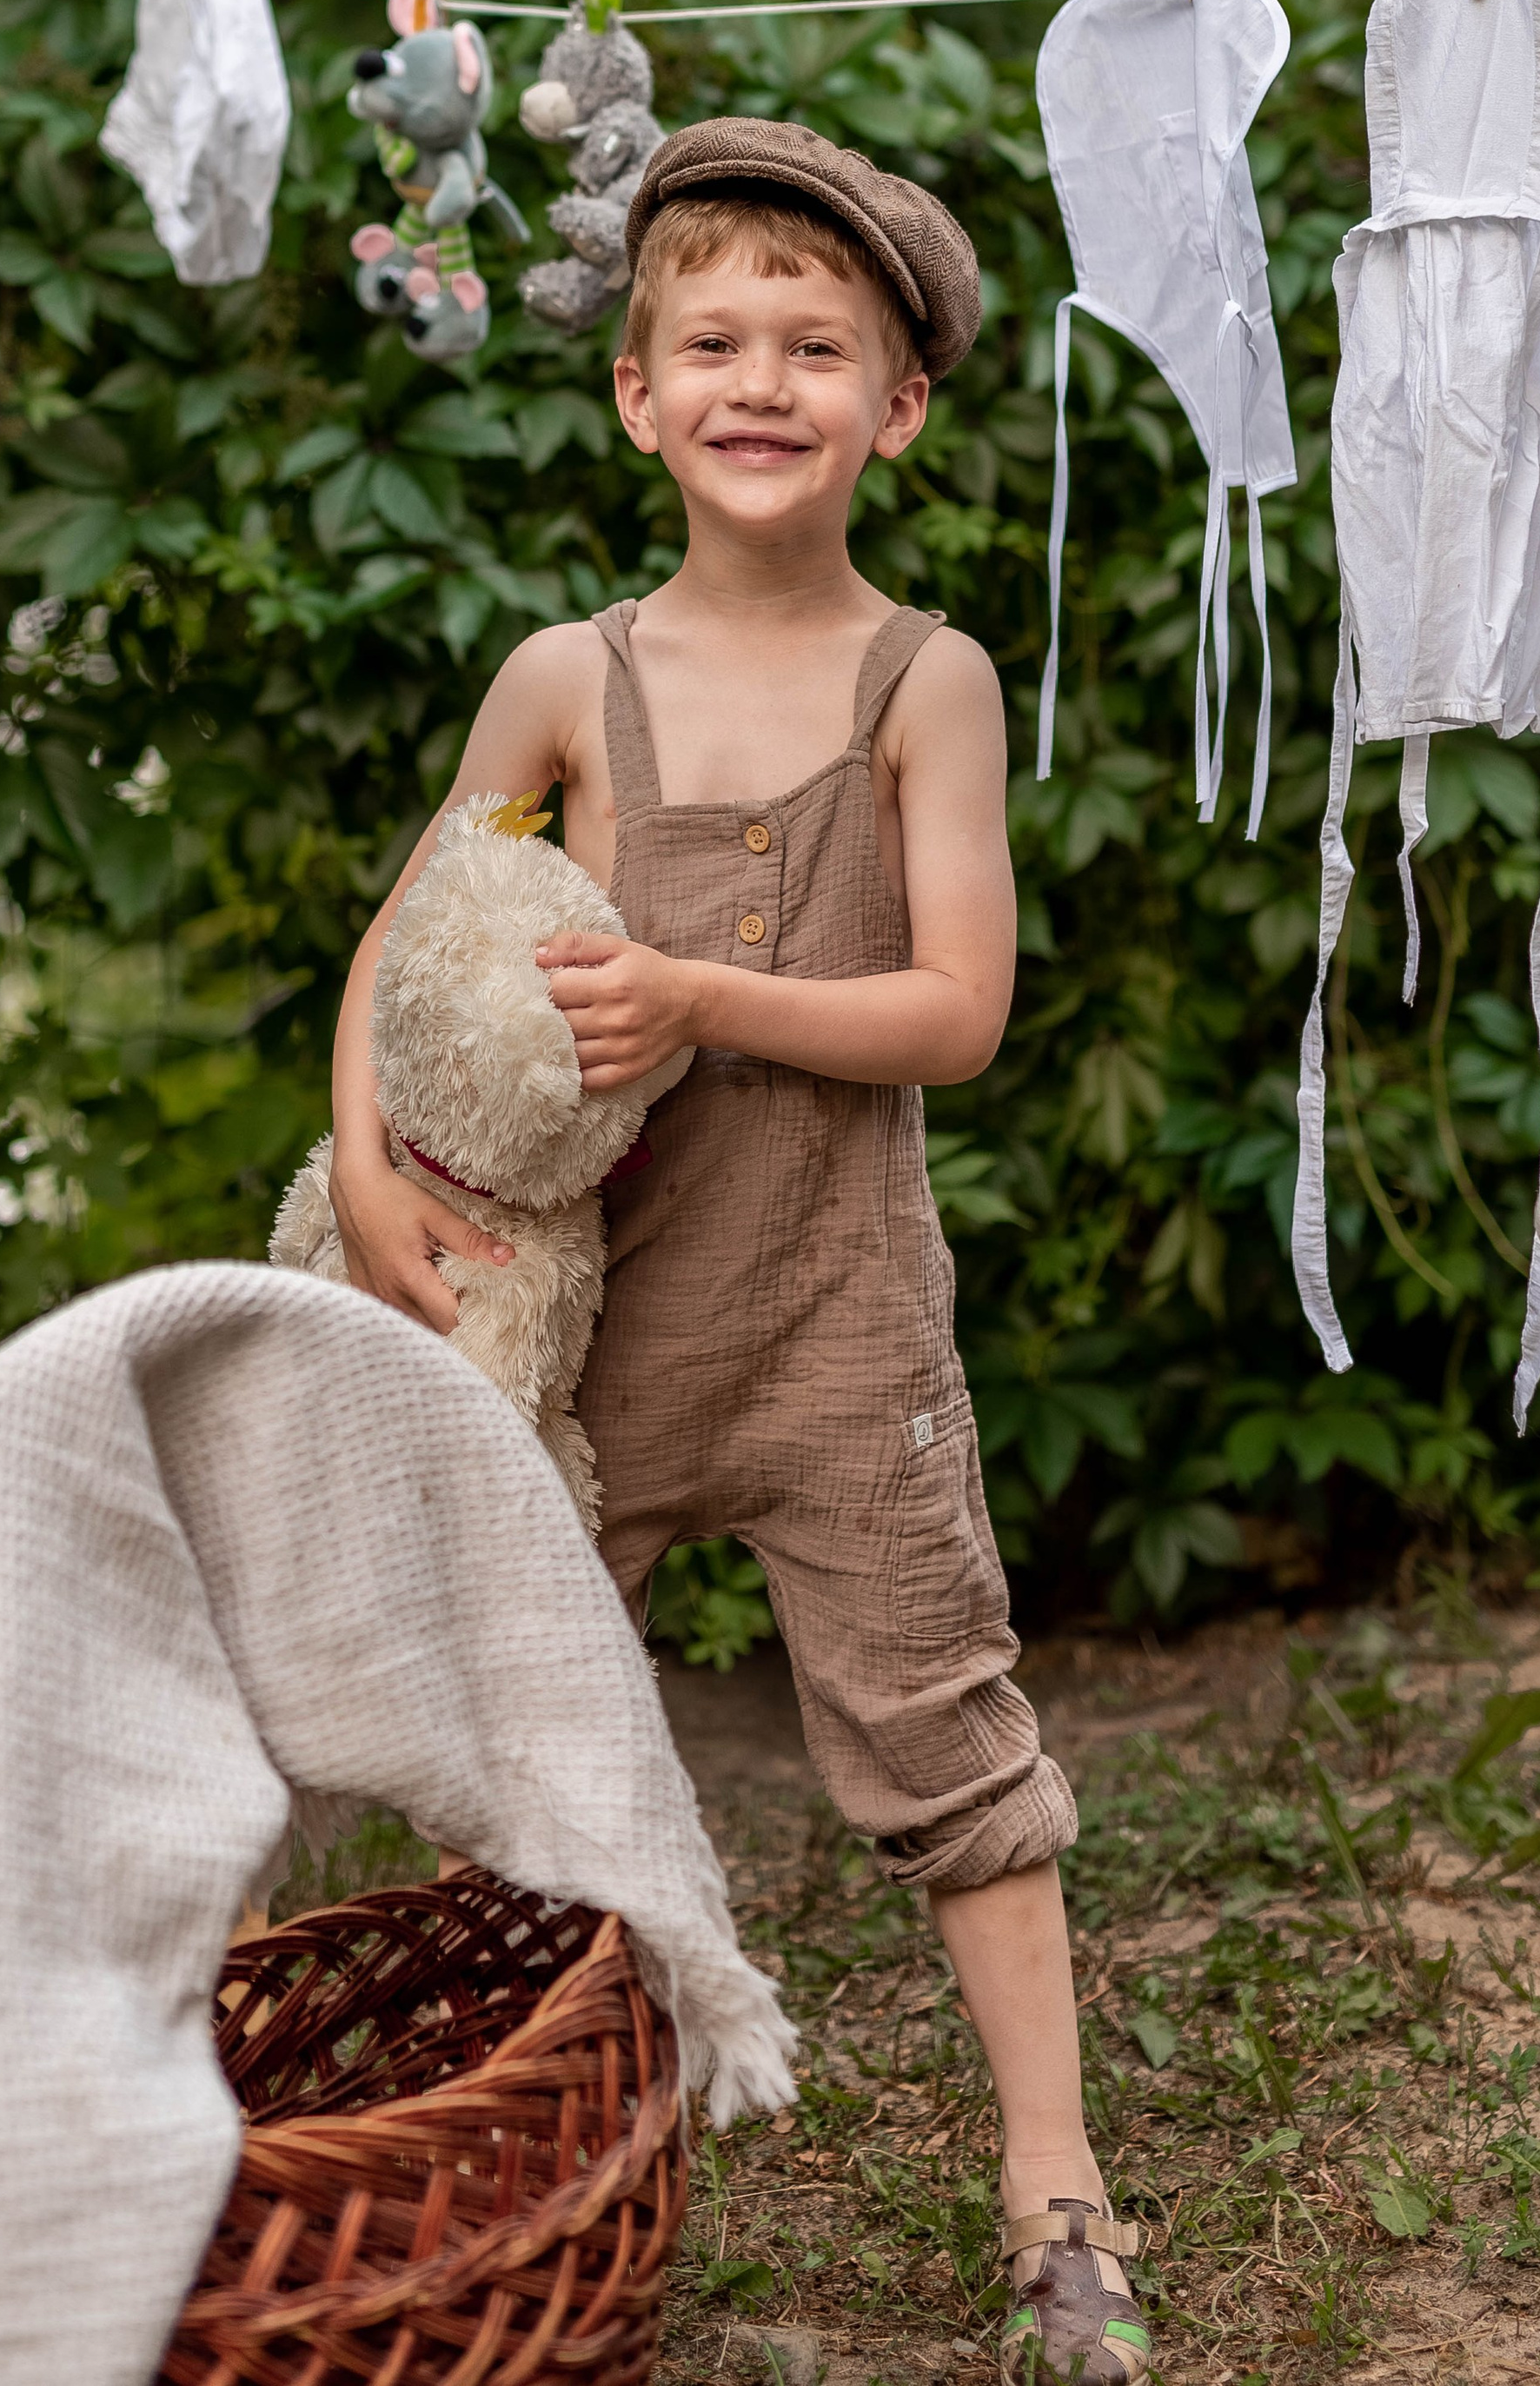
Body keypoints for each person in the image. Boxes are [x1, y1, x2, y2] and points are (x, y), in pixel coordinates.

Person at [325, 116, 1147, 2385]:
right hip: (571, 1331)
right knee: (499, 1747)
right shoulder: (570, 680)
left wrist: (697, 998)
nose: (761, 380)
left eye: (817, 346)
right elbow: (410, 931)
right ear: (638, 391)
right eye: (716, 339)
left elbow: (958, 1012)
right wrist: (370, 1165)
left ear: (896, 405)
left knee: (947, 1734)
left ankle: (1055, 2174)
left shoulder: (926, 682)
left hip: (832, 1330)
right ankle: (499, 2152)